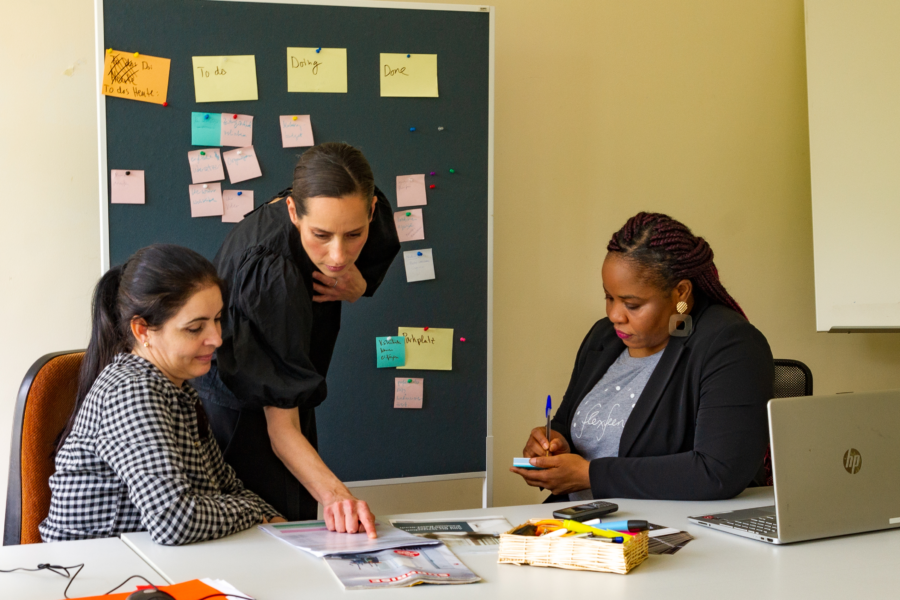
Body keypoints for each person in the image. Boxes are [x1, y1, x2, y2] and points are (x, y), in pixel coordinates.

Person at [193, 142, 400, 536]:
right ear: (292, 210)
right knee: (275, 534)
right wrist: (337, 496)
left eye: (354, 234)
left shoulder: (359, 199)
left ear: (370, 209)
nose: (338, 255)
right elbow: (281, 430)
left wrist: (361, 283)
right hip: (242, 413)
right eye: (321, 235)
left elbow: (360, 254)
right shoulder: (272, 273)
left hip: (291, 387)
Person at [510, 212, 774, 501]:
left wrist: (589, 475)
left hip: (667, 531)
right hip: (578, 525)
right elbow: (565, 425)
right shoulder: (603, 337)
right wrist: (553, 443)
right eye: (608, 297)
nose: (614, 315)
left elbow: (717, 471)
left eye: (631, 304)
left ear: (681, 294)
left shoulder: (730, 344)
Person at [41, 245, 283, 545]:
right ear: (143, 330)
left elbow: (227, 487)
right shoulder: (132, 391)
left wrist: (274, 519)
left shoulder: (178, 389)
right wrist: (252, 513)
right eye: (195, 328)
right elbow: (174, 520)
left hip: (151, 559)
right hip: (95, 570)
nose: (217, 339)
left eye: (218, 319)